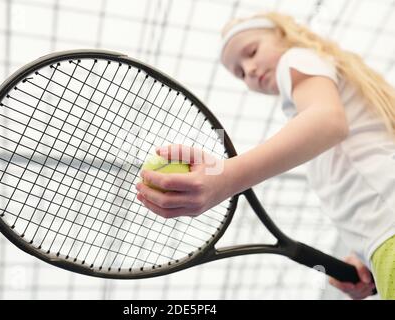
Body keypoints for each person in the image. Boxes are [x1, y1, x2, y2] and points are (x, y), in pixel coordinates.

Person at [135, 12, 395, 300]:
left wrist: (228, 176)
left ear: (284, 35)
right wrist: (364, 254)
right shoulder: (327, 91)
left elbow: (328, 122)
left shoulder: (296, 57)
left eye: (252, 51)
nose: (250, 69)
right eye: (241, 73)